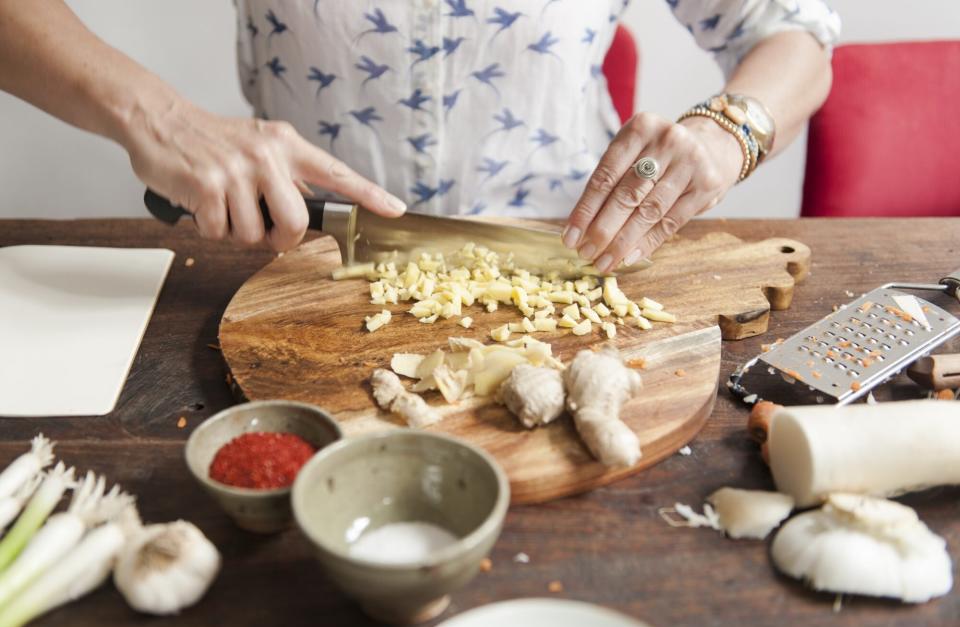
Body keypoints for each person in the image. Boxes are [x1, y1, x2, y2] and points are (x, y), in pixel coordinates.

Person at [0, 0, 839, 272]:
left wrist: (733, 126)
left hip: (569, 262)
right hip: (301, 266)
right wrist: (159, 115)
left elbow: (796, 31)